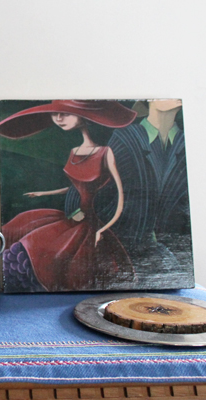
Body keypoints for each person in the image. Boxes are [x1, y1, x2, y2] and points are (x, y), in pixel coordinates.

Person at [0, 100, 137, 292]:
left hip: (89, 224)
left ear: (85, 117)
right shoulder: (74, 152)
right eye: (54, 113)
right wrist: (44, 193)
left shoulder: (106, 153)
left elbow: (121, 196)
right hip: (72, 217)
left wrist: (102, 230)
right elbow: (74, 187)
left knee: (59, 259)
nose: (58, 118)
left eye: (65, 113)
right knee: (21, 228)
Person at [64, 100, 193, 287]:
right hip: (124, 239)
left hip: (170, 248)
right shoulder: (127, 137)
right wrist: (75, 209)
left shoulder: (185, 140)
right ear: (148, 100)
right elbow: (92, 175)